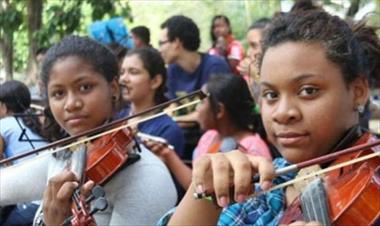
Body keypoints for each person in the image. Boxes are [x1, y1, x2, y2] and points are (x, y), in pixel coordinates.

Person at [162, 10, 380, 226]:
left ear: (358, 92)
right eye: (271, 95)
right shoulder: (266, 186)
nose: (282, 113)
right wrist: (205, 195)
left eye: (308, 90)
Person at [0, 36, 177, 226]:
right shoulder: (71, 153)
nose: (71, 104)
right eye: (59, 93)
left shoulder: (148, 179)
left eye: (85, 87)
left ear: (114, 88)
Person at [146, 73, 271, 192]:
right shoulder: (209, 136)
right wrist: (167, 153)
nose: (197, 109)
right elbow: (197, 185)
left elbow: (202, 191)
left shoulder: (253, 149)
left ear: (219, 110)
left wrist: (170, 156)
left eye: (201, 102)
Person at [159, 15, 230, 124]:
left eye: (162, 43)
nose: (160, 50)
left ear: (176, 43)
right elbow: (174, 104)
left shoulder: (215, 67)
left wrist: (174, 120)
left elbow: (212, 113)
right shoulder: (172, 70)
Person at [117, 47, 185, 158]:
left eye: (133, 72)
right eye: (122, 72)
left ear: (155, 81)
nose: (123, 79)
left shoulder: (168, 129)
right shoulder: (118, 118)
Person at [0, 80, 49, 226]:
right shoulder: (37, 121)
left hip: (32, 204)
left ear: (3, 106)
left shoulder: (3, 124)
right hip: (49, 197)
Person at [237, 18, 271, 101]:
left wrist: (255, 75)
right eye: (249, 46)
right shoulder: (251, 73)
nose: (248, 53)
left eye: (254, 46)